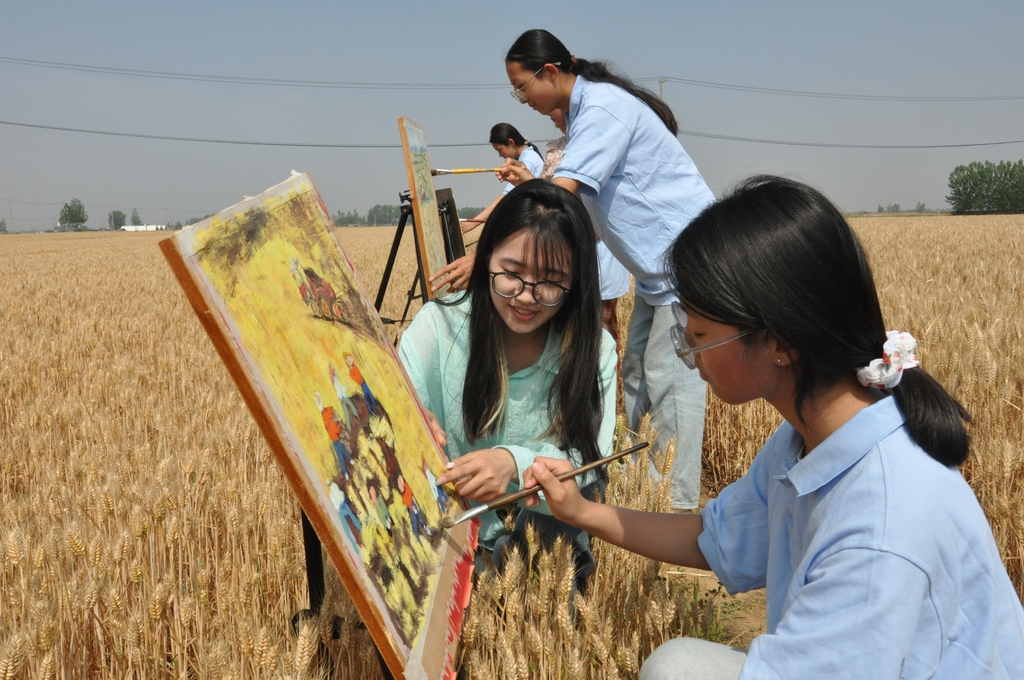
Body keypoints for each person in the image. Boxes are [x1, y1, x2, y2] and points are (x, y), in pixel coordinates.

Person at [523, 176, 1024, 679]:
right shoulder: (810, 437)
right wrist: (582, 511)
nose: (688, 351)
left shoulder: (880, 529)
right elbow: (716, 537)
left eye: (700, 333)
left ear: (780, 343)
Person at [498, 29, 716, 510]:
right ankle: (642, 488)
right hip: (658, 277)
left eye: (521, 87)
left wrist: (492, 255)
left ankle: (674, 507)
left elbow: (561, 199)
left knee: (671, 383)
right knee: (637, 372)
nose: (522, 98)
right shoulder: (585, 115)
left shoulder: (602, 109)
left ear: (549, 72)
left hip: (689, 269)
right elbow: (581, 209)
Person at [399, 179, 616, 589]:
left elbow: (588, 464)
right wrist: (409, 419)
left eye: (551, 281)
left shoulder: (594, 350)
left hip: (544, 540)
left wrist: (514, 464)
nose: (527, 297)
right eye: (512, 273)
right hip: (448, 533)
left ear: (576, 282)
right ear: (485, 258)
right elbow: (395, 410)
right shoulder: (438, 327)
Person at [542, 108, 629, 345]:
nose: (550, 114)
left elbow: (600, 213)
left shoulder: (597, 145)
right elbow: (549, 200)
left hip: (597, 255)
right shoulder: (556, 148)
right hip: (569, 253)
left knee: (602, 338)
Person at [429, 123, 545, 292]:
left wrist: (474, 222)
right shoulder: (529, 157)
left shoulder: (528, 161)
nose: (500, 155)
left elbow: (504, 198)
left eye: (500, 150)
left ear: (511, 142)